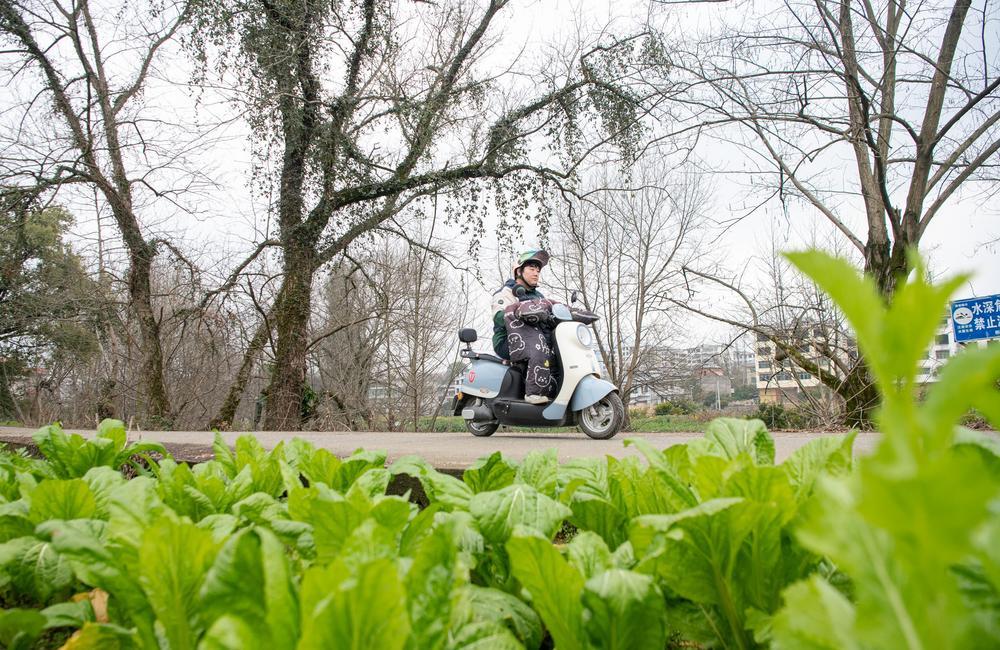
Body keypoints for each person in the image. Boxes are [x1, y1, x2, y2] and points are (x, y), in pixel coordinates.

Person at [492, 249, 556, 404]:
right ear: (519, 271)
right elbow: (499, 318)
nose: (536, 273)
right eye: (532, 269)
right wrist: (520, 312)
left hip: (537, 338)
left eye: (538, 270)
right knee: (538, 346)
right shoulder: (506, 292)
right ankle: (533, 393)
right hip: (507, 340)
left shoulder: (539, 297)